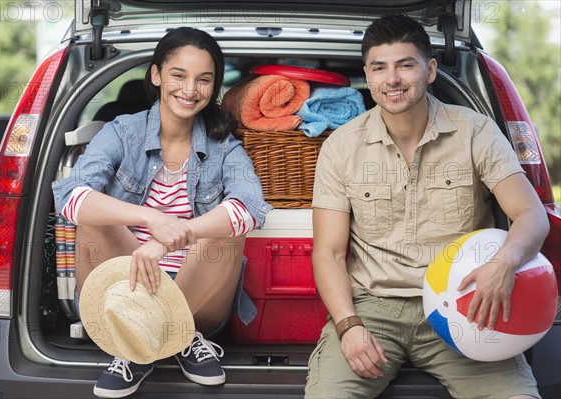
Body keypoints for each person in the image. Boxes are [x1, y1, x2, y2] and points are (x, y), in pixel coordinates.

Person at [305, 14, 549, 399]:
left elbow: (532, 215)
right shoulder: (341, 146)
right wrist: (348, 326)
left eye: (406, 65)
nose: (393, 80)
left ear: (430, 70)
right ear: (367, 76)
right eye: (380, 68)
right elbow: (329, 253)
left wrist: (503, 264)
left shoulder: (476, 131)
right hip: (373, 310)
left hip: (468, 303)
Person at [52, 27, 272, 398]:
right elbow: (70, 198)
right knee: (90, 213)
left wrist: (173, 238)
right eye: (178, 75)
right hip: (123, 282)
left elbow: (251, 208)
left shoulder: (224, 146)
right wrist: (152, 221)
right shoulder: (122, 132)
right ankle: (142, 332)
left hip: (198, 294)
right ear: (156, 75)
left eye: (204, 80)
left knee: (231, 226)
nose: (190, 90)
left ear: (213, 87)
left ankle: (161, 338)